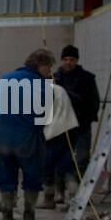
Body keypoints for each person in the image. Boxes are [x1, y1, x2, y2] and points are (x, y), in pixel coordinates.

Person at [0, 48, 54, 220]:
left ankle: (7, 215)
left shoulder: (4, 80)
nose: (50, 71)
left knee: (5, 175)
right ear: (40, 65)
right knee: (32, 175)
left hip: (2, 137)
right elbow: (47, 116)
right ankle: (29, 215)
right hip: (28, 137)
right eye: (49, 67)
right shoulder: (43, 85)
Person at [43, 45, 99, 207]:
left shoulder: (87, 78)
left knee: (81, 159)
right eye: (66, 59)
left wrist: (86, 119)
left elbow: (93, 102)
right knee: (58, 160)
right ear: (62, 60)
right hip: (59, 128)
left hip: (81, 126)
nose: (68, 63)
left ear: (77, 60)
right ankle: (60, 194)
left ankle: (80, 195)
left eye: (72, 60)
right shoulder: (54, 78)